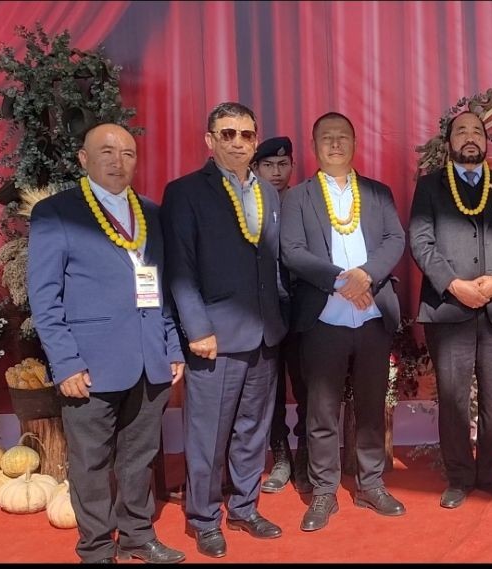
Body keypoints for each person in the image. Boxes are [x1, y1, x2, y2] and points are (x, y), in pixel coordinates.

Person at [27, 123, 186, 564]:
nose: (119, 161)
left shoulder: (151, 212)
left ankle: (137, 535)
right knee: (92, 464)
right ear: (83, 158)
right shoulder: (57, 212)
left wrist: (172, 346)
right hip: (90, 365)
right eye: (107, 152)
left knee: (139, 457)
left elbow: (162, 286)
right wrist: (65, 362)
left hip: (150, 359)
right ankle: (96, 549)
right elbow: (44, 296)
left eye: (129, 153)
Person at [161, 102, 288, 557]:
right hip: (213, 338)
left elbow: (269, 262)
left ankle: (245, 507)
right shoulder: (185, 192)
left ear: (256, 140)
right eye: (228, 133)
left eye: (247, 134)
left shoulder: (269, 194)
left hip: (265, 335)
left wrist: (282, 318)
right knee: (208, 434)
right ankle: (203, 517)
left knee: (252, 430)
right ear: (209, 140)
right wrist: (196, 328)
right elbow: (179, 267)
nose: (238, 142)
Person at [279, 112, 406, 531]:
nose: (335, 144)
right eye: (326, 138)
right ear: (314, 147)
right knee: (321, 410)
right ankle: (324, 492)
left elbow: (395, 239)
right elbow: (293, 250)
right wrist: (339, 281)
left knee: (371, 407)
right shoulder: (297, 197)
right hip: (323, 319)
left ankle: (371, 484)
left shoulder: (377, 192)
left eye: (343, 137)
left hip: (371, 317)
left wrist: (366, 276)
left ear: (354, 143)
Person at [409, 111, 492, 509]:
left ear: (486, 141)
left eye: (476, 131)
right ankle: (459, 476)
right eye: (460, 130)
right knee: (453, 397)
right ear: (448, 142)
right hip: (449, 307)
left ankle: (491, 472)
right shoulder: (429, 187)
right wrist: (454, 284)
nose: (469, 136)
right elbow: (421, 242)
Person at [251, 135, 310, 494]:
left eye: (283, 164)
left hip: (303, 310)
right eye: (268, 165)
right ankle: (281, 457)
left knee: (306, 388)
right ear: (255, 168)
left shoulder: (304, 200)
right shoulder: (249, 203)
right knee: (269, 392)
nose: (276, 172)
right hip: (264, 312)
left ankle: (304, 458)